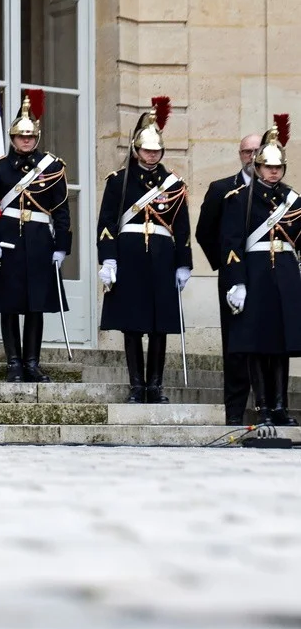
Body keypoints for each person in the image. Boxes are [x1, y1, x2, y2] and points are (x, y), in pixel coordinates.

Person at [96, 97, 191, 404]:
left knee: (159, 326)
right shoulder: (119, 182)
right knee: (133, 324)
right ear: (136, 150)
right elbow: (107, 223)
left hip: (162, 257)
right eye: (147, 150)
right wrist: (108, 258)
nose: (152, 155)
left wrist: (183, 263)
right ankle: (137, 386)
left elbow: (182, 227)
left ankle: (156, 386)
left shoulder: (173, 184)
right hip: (130, 255)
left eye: (156, 150)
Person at [0, 90, 72, 383]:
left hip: (40, 240)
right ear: (12, 138)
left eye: (30, 136)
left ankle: (32, 363)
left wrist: (61, 247)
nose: (25, 141)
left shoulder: (52, 168)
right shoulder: (0, 168)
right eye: (20, 136)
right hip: (8, 242)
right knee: (10, 304)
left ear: (36, 138)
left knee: (35, 306)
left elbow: (62, 210)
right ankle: (14, 363)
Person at [219, 116, 301, 427]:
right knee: (256, 344)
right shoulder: (240, 199)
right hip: (254, 274)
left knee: (281, 345)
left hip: (285, 274)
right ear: (258, 167)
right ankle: (264, 407)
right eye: (268, 167)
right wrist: (237, 282)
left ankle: (280, 406)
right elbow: (231, 244)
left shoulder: (293, 201)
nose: (273, 172)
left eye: (278, 168)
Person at [195, 132, 260, 424]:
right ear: (240, 154)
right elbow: (205, 232)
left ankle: (268, 407)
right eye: (248, 151)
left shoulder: (282, 192)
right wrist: (226, 266)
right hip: (234, 278)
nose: (253, 157)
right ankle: (234, 412)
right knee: (235, 346)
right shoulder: (221, 188)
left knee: (268, 344)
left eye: (259, 150)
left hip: (266, 278)